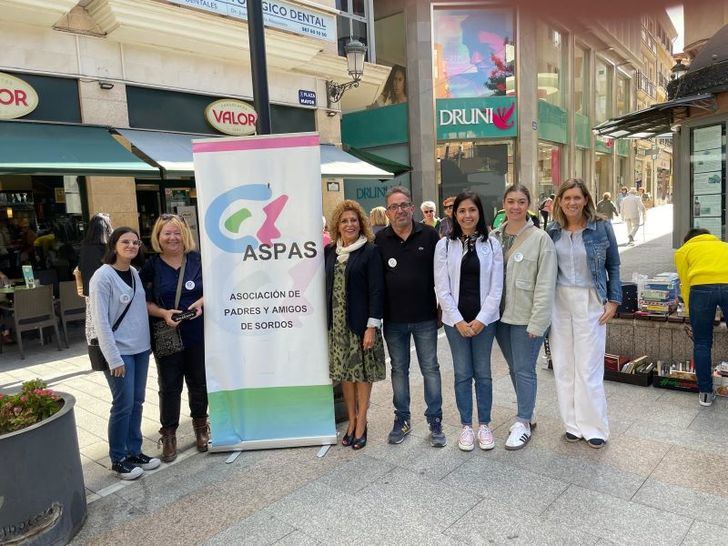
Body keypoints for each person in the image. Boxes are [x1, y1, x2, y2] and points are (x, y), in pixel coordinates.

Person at [546, 179, 621, 449]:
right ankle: (572, 425)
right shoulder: (553, 230)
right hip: (559, 301)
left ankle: (594, 427)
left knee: (588, 366)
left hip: (591, 299)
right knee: (564, 365)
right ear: (559, 202)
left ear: (586, 200)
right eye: (567, 198)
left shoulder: (601, 227)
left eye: (577, 198)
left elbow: (614, 264)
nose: (572, 203)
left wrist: (613, 301)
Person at [375, 186, 446, 447]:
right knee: (399, 370)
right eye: (394, 206)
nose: (400, 210)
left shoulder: (429, 236)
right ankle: (402, 418)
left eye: (404, 204)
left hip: (426, 317)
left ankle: (435, 419)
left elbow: (442, 276)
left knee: (430, 369)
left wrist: (442, 307)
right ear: (388, 212)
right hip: (393, 320)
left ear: (412, 207)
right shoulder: (380, 240)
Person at [435, 192, 503, 451]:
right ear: (455, 214)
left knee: (483, 374)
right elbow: (442, 288)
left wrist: (481, 320)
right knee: (463, 374)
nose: (466, 215)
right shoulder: (444, 245)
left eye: (471, 210)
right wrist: (459, 321)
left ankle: (484, 424)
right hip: (456, 322)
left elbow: (497, 289)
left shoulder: (493, 244)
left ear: (479, 212)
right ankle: (466, 426)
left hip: (485, 321)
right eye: (461, 211)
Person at [90, 227, 159, 480]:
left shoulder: (133, 273)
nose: (131, 246)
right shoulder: (103, 277)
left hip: (140, 350)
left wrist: (147, 345)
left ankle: (134, 450)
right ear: (113, 245)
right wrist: (113, 358)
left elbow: (138, 314)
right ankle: (118, 458)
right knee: (123, 404)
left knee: (137, 402)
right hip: (119, 353)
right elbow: (101, 321)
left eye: (135, 242)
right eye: (125, 241)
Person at [492, 185, 557, 450]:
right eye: (510, 201)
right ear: (503, 204)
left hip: (525, 318)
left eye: (521, 201)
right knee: (513, 367)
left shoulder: (541, 239)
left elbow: (545, 283)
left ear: (529, 204)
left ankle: (522, 422)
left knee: (524, 369)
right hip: (499, 317)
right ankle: (527, 412)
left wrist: (538, 322)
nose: (515, 206)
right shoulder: (494, 236)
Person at [140, 214, 206, 463]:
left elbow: (214, 288)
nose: (172, 238)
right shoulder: (151, 266)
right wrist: (163, 313)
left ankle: (201, 427)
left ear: (185, 235)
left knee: (198, 381)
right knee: (169, 386)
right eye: (167, 233)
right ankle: (169, 434)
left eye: (177, 232)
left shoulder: (197, 261)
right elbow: (143, 302)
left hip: (196, 331)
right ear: (158, 237)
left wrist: (199, 304)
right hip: (167, 333)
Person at [325, 200, 385, 449]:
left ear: (361, 223)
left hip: (361, 325)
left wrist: (372, 326)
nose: (349, 224)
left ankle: (362, 423)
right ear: (336, 225)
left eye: (353, 220)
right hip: (336, 325)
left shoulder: (370, 251)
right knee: (344, 377)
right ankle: (350, 420)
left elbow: (377, 290)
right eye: (344, 220)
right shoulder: (329, 252)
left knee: (361, 375)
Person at [674, 228, 728, 406]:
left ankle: (705, 393)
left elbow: (685, 284)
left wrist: (691, 310)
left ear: (688, 240)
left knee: (702, 342)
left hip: (700, 290)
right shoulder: (724, 246)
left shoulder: (683, 251)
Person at [78, 213, 113, 344]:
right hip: (108, 292)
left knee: (93, 325)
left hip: (90, 292)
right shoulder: (107, 248)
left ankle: (95, 350)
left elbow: (80, 268)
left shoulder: (84, 247)